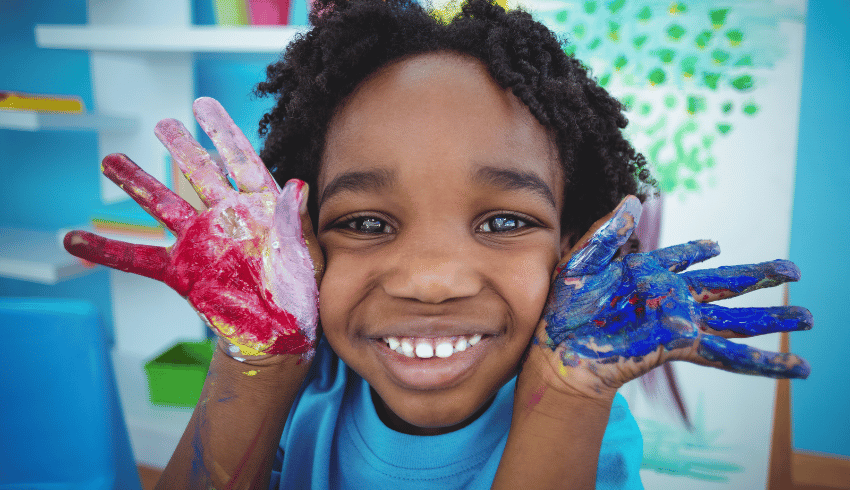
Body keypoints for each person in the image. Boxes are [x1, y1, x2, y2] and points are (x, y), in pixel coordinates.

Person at [63, 0, 812, 488]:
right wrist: (255, 365)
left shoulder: (585, 411)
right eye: (365, 223)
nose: (430, 281)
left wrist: (568, 399)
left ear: (576, 246)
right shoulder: (306, 386)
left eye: (503, 222)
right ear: (304, 246)